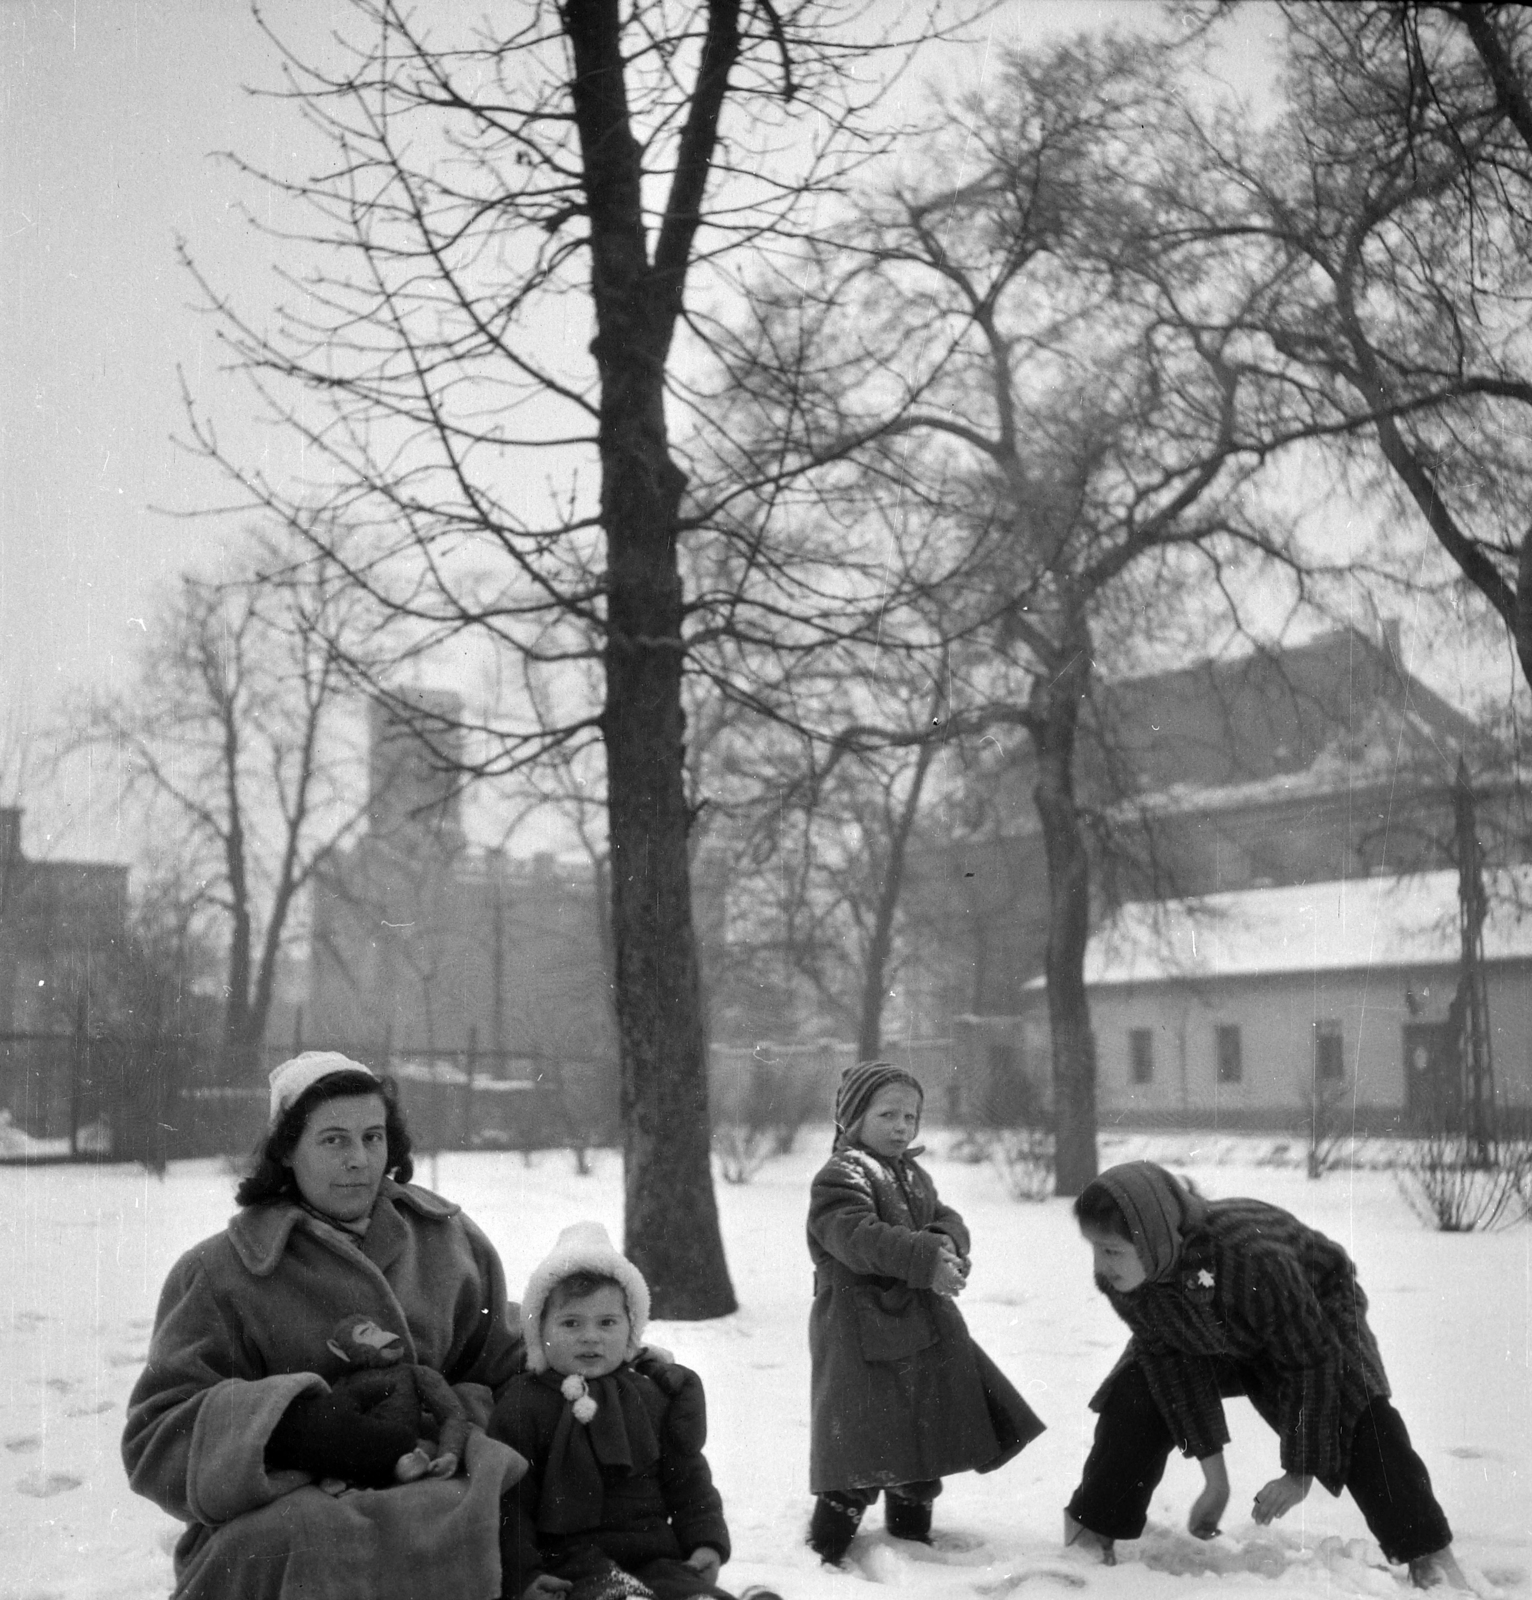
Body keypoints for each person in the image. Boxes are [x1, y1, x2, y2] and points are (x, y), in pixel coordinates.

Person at [122, 1050, 530, 1600]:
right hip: (297, 1509)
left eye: (373, 1137)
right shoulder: (221, 1272)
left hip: (444, 1482)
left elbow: (510, 1368)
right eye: (333, 1140)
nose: (360, 1160)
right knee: (313, 1536)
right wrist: (294, 1430)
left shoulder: (448, 1240)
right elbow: (156, 1439)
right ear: (287, 1150)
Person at [1064, 1160, 1468, 1591]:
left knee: (1356, 1411)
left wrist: (1299, 1474)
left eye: (1111, 1250)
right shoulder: (1126, 1279)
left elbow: (1311, 1363)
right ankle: (1094, 1527)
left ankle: (1427, 1550)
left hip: (1313, 1312)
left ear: (1157, 1239)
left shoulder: (1253, 1259)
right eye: (1094, 1247)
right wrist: (1215, 1481)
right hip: (1211, 1326)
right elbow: (1171, 1367)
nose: (1100, 1265)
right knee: (1137, 1391)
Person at [805, 1061, 1045, 1566]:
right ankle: (824, 1553)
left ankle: (913, 1545)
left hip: (918, 1325)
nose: (901, 1127)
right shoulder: (840, 1175)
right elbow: (853, 1235)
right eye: (887, 1114)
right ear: (852, 1119)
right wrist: (924, 1258)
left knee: (919, 1435)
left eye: (910, 1117)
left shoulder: (912, 1174)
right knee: (861, 1443)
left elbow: (946, 1219)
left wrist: (946, 1246)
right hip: (858, 1330)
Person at [489, 1222, 777, 1600]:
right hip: (567, 1562)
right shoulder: (525, 1403)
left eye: (607, 1322)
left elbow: (687, 1477)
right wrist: (524, 1575)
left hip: (654, 1553)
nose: (590, 1336)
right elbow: (510, 1502)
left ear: (630, 1329)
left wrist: (705, 1540)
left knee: (684, 1590)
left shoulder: (649, 1394)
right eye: (571, 1322)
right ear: (539, 1329)